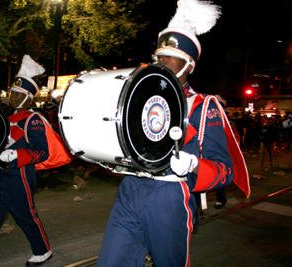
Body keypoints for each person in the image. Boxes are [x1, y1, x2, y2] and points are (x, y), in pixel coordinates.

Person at [97, 1, 250, 266]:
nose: (160, 60)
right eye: (158, 55)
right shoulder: (139, 99)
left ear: (189, 64)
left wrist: (193, 165)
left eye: (169, 55)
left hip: (170, 196)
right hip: (130, 188)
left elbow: (226, 169)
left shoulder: (204, 106)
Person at [0, 55, 73, 267]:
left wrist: (16, 155)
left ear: (27, 97)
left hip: (20, 175)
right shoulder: (6, 117)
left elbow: (42, 152)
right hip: (2, 175)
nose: (12, 98)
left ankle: (43, 251)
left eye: (17, 94)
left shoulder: (33, 120)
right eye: (12, 93)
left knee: (25, 216)